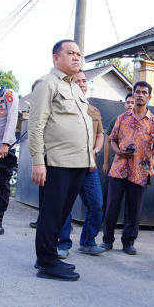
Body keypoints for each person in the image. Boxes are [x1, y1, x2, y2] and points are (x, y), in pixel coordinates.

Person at [28, 39, 95, 281]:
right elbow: (36, 125)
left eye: (79, 53)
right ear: (56, 58)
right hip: (56, 162)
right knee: (51, 213)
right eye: (70, 53)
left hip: (78, 163)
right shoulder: (47, 84)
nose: (77, 57)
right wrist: (38, 161)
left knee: (62, 213)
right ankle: (46, 263)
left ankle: (49, 256)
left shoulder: (75, 87)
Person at [101, 81, 154, 255]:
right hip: (119, 168)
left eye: (144, 93)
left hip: (140, 171)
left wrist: (146, 157)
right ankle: (107, 240)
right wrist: (118, 151)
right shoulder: (122, 118)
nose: (140, 95)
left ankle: (128, 242)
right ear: (133, 95)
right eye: (137, 92)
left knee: (134, 209)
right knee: (112, 205)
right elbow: (112, 139)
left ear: (149, 97)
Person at [56, 70, 105, 257]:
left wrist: (96, 151)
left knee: (97, 204)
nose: (83, 84)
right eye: (78, 81)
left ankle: (88, 241)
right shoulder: (64, 106)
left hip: (89, 165)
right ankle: (63, 243)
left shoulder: (93, 110)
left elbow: (100, 134)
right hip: (68, 163)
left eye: (85, 81)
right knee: (65, 205)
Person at [0, 84, 19, 235]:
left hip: (4, 147)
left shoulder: (9, 94)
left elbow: (12, 119)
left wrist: (5, 143)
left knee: (3, 185)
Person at [102, 92, 134, 218]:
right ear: (124, 105)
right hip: (115, 165)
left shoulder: (144, 121)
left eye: (133, 102)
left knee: (131, 198)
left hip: (133, 166)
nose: (130, 105)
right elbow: (107, 142)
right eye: (128, 102)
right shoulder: (116, 120)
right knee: (108, 195)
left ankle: (127, 226)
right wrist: (105, 163)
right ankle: (103, 222)